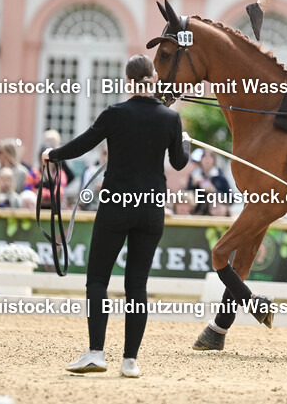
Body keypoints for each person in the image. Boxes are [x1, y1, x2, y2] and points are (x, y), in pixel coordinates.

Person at [44, 54, 189, 378]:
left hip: (117, 204)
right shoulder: (170, 119)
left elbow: (83, 144)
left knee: (98, 280)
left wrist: (52, 154)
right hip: (151, 208)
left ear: (127, 81)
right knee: (137, 285)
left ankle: (96, 352)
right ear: (153, 78)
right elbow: (179, 163)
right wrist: (186, 144)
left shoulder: (115, 114)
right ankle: (130, 361)